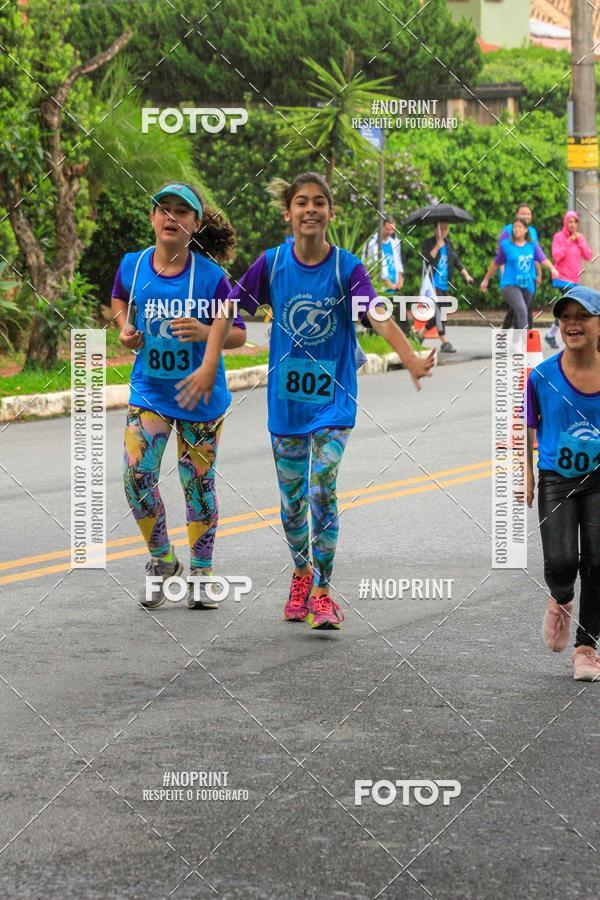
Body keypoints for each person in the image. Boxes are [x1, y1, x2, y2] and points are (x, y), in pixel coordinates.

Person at [176, 171, 435, 631]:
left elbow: (376, 314)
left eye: (319, 202)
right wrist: (209, 362)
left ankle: (322, 592)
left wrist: (410, 356)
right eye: (302, 202)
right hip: (287, 408)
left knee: (322, 486)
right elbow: (227, 311)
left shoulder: (346, 268)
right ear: (288, 213)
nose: (310, 209)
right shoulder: (273, 265)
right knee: (293, 503)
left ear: (330, 213)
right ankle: (300, 573)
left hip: (333, 405)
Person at [110, 182, 247, 610]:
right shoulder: (133, 266)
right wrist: (123, 327)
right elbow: (118, 299)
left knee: (197, 486)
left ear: (195, 224)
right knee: (136, 477)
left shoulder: (211, 277)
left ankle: (202, 575)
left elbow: (239, 333)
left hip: (200, 398)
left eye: (182, 212)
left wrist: (208, 332)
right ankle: (162, 561)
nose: (171, 217)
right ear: (152, 218)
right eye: (163, 209)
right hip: (150, 390)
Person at [527, 285, 600, 681]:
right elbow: (527, 427)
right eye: (566, 316)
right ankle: (562, 597)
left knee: (598, 560)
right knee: (560, 562)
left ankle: (587, 647)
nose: (573, 323)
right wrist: (525, 474)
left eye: (583, 316)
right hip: (555, 475)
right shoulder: (542, 376)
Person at [481, 216, 558, 329]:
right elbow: (496, 263)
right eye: (515, 227)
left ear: (526, 229)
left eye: (520, 227)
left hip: (528, 285)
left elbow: (542, 259)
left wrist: (552, 268)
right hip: (510, 284)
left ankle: (515, 341)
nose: (517, 229)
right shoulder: (506, 245)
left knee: (521, 313)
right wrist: (486, 279)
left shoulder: (532, 245)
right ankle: (522, 344)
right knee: (522, 310)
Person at [420, 222, 473, 353]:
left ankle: (420, 334)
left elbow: (455, 261)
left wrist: (466, 275)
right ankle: (445, 341)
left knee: (441, 312)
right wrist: (436, 247)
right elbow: (426, 260)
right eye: (440, 229)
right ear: (435, 229)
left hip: (444, 283)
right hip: (433, 283)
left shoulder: (448, 244)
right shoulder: (429, 243)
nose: (443, 231)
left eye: (445, 229)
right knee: (440, 311)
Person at [545, 211, 593, 349]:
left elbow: (588, 256)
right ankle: (565, 337)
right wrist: (568, 242)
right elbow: (556, 256)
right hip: (561, 278)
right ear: (565, 223)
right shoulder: (559, 237)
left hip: (574, 279)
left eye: (575, 222)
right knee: (571, 307)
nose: (572, 224)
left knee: (567, 308)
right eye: (570, 222)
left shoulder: (580, 237)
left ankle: (551, 335)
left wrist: (580, 242)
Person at [497, 203, 546, 329]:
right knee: (519, 309)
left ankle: (518, 340)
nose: (526, 216)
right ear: (517, 215)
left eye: (528, 213)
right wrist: (503, 274)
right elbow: (501, 256)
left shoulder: (532, 231)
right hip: (512, 277)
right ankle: (507, 337)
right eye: (523, 213)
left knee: (523, 309)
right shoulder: (507, 230)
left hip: (529, 277)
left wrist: (538, 274)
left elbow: (536, 254)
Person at [363, 216, 408, 334]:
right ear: (381, 227)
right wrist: (386, 282)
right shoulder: (372, 244)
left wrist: (400, 279)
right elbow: (367, 266)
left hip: (395, 286)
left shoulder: (395, 242)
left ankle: (408, 339)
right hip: (381, 288)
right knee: (380, 317)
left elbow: (398, 262)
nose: (390, 232)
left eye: (393, 229)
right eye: (387, 229)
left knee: (401, 317)